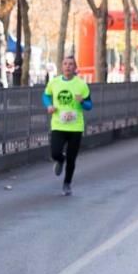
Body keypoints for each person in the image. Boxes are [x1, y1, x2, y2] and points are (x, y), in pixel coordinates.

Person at [44, 55, 93, 196]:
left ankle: (67, 184)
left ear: (75, 67)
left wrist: (83, 101)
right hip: (58, 125)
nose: (68, 66)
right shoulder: (54, 83)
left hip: (75, 127)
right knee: (55, 152)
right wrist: (49, 105)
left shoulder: (81, 85)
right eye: (65, 64)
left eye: (71, 64)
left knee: (72, 158)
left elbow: (90, 106)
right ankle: (60, 159)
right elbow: (46, 95)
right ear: (61, 66)